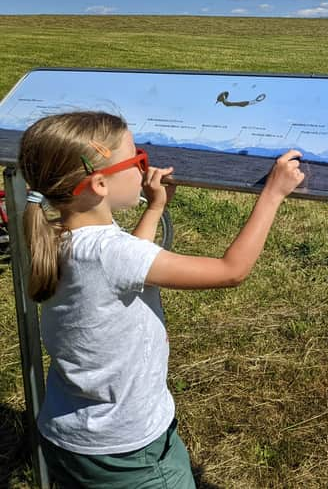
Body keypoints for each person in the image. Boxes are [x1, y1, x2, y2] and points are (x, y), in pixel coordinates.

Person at [17, 111, 304, 488]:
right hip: (130, 451)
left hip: (69, 434)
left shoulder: (54, 233)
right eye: (137, 160)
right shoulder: (111, 253)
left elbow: (123, 266)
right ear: (100, 184)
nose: (144, 167)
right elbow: (231, 270)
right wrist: (273, 194)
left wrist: (154, 208)